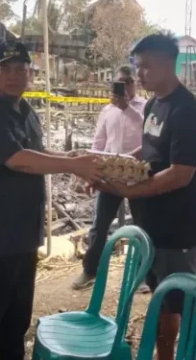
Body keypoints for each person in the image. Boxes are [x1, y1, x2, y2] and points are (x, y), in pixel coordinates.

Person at [0, 41, 104, 360]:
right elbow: (17, 160)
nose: (14, 76)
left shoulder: (27, 112)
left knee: (14, 328)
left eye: (21, 69)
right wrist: (74, 165)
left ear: (30, 74)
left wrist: (75, 160)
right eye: (5, 69)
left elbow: (37, 154)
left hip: (21, 237)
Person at [95, 33, 196, 360]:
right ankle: (165, 355)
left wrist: (129, 190)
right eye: (137, 66)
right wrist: (111, 167)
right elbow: (146, 152)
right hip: (151, 223)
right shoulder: (154, 105)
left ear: (169, 63)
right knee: (162, 300)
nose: (139, 74)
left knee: (186, 303)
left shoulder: (188, 111)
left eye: (145, 66)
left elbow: (180, 173)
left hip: (177, 227)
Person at [71, 65, 148, 290]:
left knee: (142, 226)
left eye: (128, 82)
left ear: (135, 83)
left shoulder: (146, 107)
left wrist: (127, 108)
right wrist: (91, 173)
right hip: (110, 176)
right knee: (100, 225)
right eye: (119, 83)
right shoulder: (107, 111)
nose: (124, 87)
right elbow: (99, 143)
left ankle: (141, 275)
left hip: (138, 175)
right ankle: (90, 271)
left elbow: (150, 134)